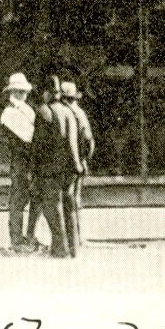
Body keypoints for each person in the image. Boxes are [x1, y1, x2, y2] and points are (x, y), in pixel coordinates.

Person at [29, 80, 83, 258]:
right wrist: (77, 165)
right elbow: (74, 141)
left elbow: (39, 145)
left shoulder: (45, 111)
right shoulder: (69, 111)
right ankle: (74, 248)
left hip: (51, 168)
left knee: (52, 207)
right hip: (71, 169)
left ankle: (60, 249)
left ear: (46, 92)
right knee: (69, 207)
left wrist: (34, 168)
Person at [0, 73, 39, 253]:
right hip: (20, 162)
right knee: (18, 200)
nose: (24, 93)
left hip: (33, 161)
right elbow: (28, 137)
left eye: (25, 90)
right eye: (20, 90)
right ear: (12, 91)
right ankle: (16, 239)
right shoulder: (8, 113)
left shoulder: (27, 109)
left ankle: (30, 235)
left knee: (35, 198)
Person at [63, 81, 95, 250]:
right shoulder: (80, 114)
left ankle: (71, 239)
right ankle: (78, 237)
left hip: (65, 163)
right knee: (75, 199)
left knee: (67, 200)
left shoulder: (62, 112)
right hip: (78, 162)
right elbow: (89, 141)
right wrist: (84, 159)